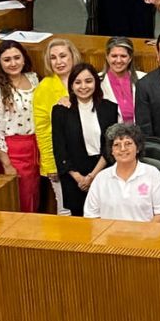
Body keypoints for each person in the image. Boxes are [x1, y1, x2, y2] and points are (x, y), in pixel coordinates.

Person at [51, 63, 117, 217]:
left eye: (88, 81)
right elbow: (59, 149)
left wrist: (93, 176)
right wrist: (79, 178)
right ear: (71, 85)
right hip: (74, 175)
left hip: (103, 170)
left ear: (96, 82)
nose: (83, 86)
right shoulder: (60, 111)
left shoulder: (109, 108)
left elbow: (110, 147)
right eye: (77, 82)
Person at [0, 40, 39, 212]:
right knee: (19, 199)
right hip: (13, 152)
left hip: (36, 148)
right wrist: (7, 164)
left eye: (17, 58)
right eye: (7, 60)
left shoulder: (33, 78)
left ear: (24, 59)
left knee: (34, 196)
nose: (13, 63)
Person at [84, 123, 160, 222]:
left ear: (138, 148)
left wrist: (142, 235)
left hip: (145, 235)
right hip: (109, 236)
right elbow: (91, 215)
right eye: (117, 145)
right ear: (111, 151)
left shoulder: (153, 174)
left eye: (128, 143)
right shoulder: (101, 178)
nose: (122, 149)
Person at [33, 38, 81, 215]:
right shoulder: (45, 87)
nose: (59, 62)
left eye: (63, 56)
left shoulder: (85, 79)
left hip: (86, 158)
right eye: (53, 58)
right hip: (60, 159)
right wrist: (51, 165)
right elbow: (43, 130)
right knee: (66, 209)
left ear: (72, 56)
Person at [99, 37, 146, 124]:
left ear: (130, 58)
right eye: (114, 56)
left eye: (123, 56)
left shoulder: (144, 78)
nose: (119, 60)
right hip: (110, 134)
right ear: (107, 57)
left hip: (140, 133)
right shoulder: (97, 81)